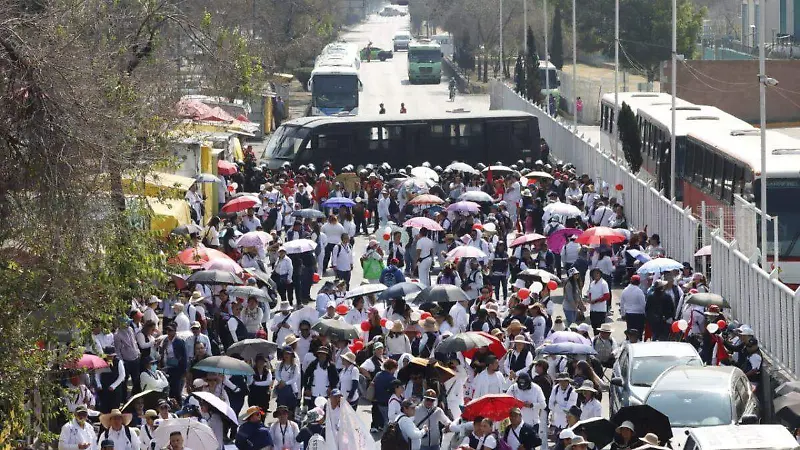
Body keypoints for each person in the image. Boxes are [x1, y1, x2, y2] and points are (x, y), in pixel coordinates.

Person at [159, 325, 187, 401]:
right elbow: (162, 352)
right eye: (168, 330)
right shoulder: (165, 340)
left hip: (177, 368)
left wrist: (184, 371)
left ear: (175, 331)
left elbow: (184, 356)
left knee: (177, 389)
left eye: (171, 330)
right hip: (167, 367)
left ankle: (179, 404)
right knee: (169, 388)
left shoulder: (179, 341)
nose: (169, 332)